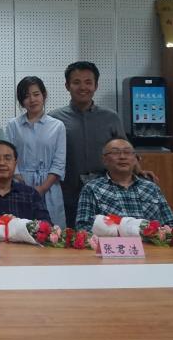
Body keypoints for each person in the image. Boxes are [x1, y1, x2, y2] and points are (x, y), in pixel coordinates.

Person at [50, 61, 128, 227]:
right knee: (69, 238)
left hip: (106, 194)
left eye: (88, 82)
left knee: (106, 235)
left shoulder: (111, 117)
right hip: (67, 193)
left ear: (96, 86)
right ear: (67, 86)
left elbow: (124, 151)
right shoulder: (54, 119)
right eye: (76, 82)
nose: (83, 87)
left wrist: (138, 169)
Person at [75, 138, 173, 230]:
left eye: (127, 152)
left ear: (135, 159)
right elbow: (83, 227)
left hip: (150, 243)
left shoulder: (151, 188)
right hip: (112, 244)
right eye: (115, 152)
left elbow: (171, 224)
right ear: (104, 160)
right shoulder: (92, 188)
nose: (122, 157)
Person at [6, 77, 68, 227]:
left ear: (44, 95)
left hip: (49, 186)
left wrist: (42, 188)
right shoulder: (13, 125)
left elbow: (59, 163)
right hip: (20, 185)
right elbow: (9, 157)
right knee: (21, 229)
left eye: (36, 94)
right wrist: (22, 183)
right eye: (26, 96)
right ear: (21, 101)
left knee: (53, 231)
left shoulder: (57, 126)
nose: (32, 100)